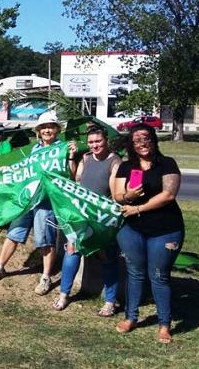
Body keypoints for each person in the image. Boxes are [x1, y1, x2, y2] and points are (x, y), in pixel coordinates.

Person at [0, 112, 75, 295]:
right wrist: (7, 169)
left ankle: (46, 276)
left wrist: (71, 157)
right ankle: (0, 267)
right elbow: (25, 168)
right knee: (14, 233)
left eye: (50, 127)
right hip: (27, 199)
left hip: (47, 201)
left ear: (57, 129)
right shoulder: (35, 149)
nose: (47, 130)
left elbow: (71, 176)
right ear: (39, 131)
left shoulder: (63, 148)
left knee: (45, 239)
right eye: (43, 128)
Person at [113, 123, 183, 344]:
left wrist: (139, 208)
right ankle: (131, 317)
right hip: (132, 229)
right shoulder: (126, 167)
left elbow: (168, 195)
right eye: (136, 140)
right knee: (135, 272)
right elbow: (117, 195)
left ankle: (164, 324)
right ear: (131, 145)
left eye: (146, 139)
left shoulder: (167, 163)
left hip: (165, 229)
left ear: (153, 140)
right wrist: (129, 197)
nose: (142, 143)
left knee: (159, 276)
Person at [52, 126, 121, 315]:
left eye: (98, 141)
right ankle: (64, 294)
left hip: (101, 218)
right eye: (91, 142)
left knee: (106, 256)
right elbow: (76, 181)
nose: (94, 145)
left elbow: (115, 194)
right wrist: (72, 158)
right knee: (72, 250)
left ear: (105, 140)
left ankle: (110, 301)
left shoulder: (115, 161)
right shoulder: (86, 158)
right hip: (81, 215)